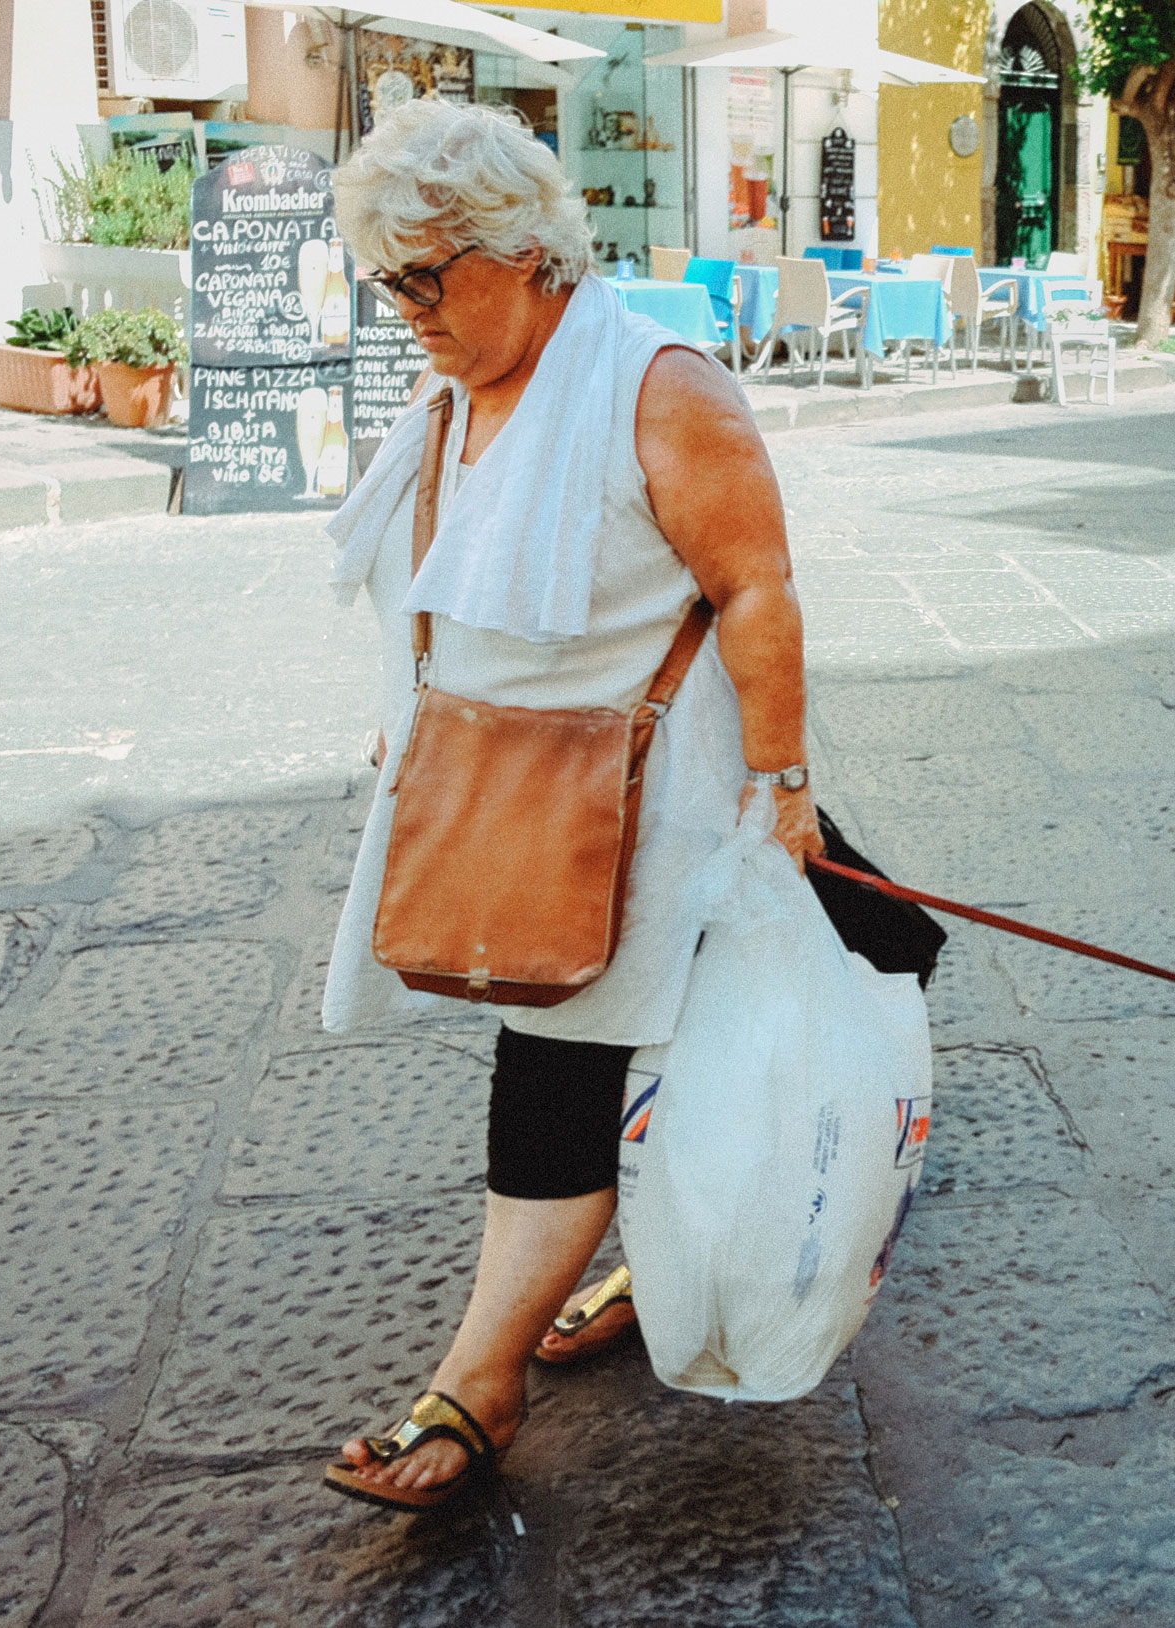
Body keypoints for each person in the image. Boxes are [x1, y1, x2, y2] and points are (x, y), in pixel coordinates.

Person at [315, 99, 821, 1511]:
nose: (406, 307)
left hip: (658, 792)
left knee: (555, 1064)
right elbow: (460, 583)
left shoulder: (662, 387)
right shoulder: (456, 388)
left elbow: (757, 593)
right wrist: (418, 716)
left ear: (529, 254)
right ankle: (667, 1246)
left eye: (429, 276)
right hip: (515, 785)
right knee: (827, 957)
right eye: (388, 280)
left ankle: (481, 1376)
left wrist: (782, 785)